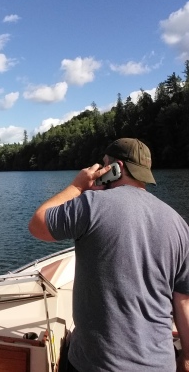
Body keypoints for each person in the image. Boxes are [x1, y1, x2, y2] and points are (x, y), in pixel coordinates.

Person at [28, 138, 189, 372]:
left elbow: (37, 224)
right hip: (160, 364)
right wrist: (186, 356)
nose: (99, 171)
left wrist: (78, 186)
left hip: (96, 365)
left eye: (104, 165)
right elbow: (183, 300)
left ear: (117, 169)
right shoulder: (179, 224)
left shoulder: (92, 204)